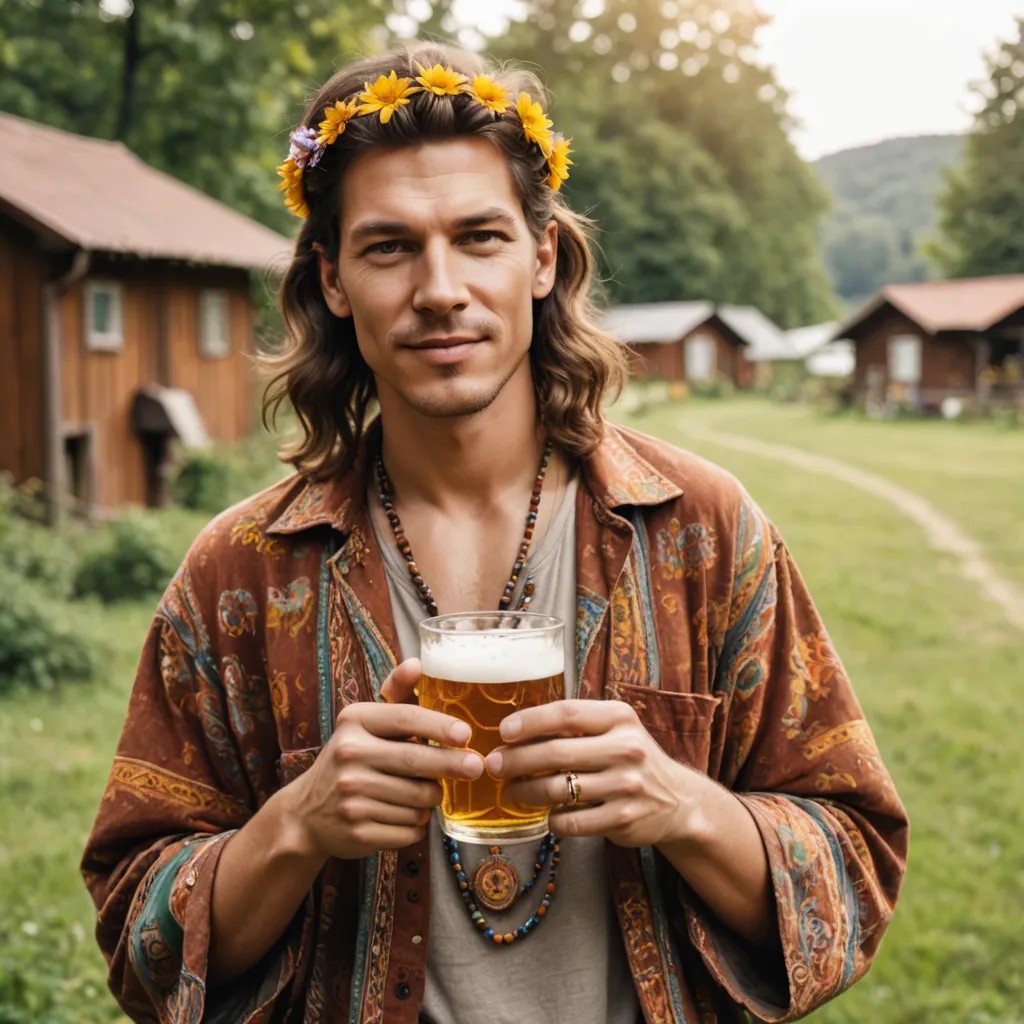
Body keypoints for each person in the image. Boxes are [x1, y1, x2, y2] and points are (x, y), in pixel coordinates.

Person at [82, 41, 908, 1024]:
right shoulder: (239, 574)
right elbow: (139, 940)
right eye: (389, 246)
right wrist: (293, 827)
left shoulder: (703, 533)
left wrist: (684, 806)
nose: (439, 288)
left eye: (479, 237)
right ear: (333, 279)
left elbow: (855, 870)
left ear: (542, 256)